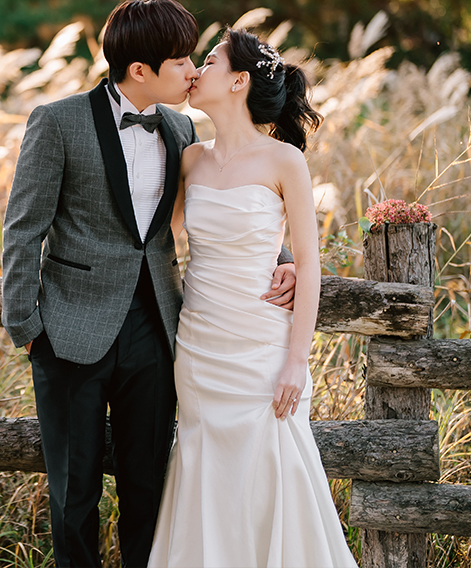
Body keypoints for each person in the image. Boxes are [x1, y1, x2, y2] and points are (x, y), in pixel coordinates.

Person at [1, 0, 297, 568]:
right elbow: (22, 229)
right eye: (180, 60)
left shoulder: (180, 127)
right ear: (140, 71)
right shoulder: (57, 121)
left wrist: (280, 255)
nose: (192, 70)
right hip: (69, 331)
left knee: (149, 489)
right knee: (74, 492)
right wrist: (26, 327)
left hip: (158, 331)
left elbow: (231, 198)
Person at [148, 28, 357, 567]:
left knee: (271, 471)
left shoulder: (285, 161)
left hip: (263, 348)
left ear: (239, 80)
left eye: (210, 60)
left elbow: (308, 264)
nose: (196, 69)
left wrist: (295, 361)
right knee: (204, 472)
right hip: (199, 346)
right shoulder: (190, 158)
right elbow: (158, 242)